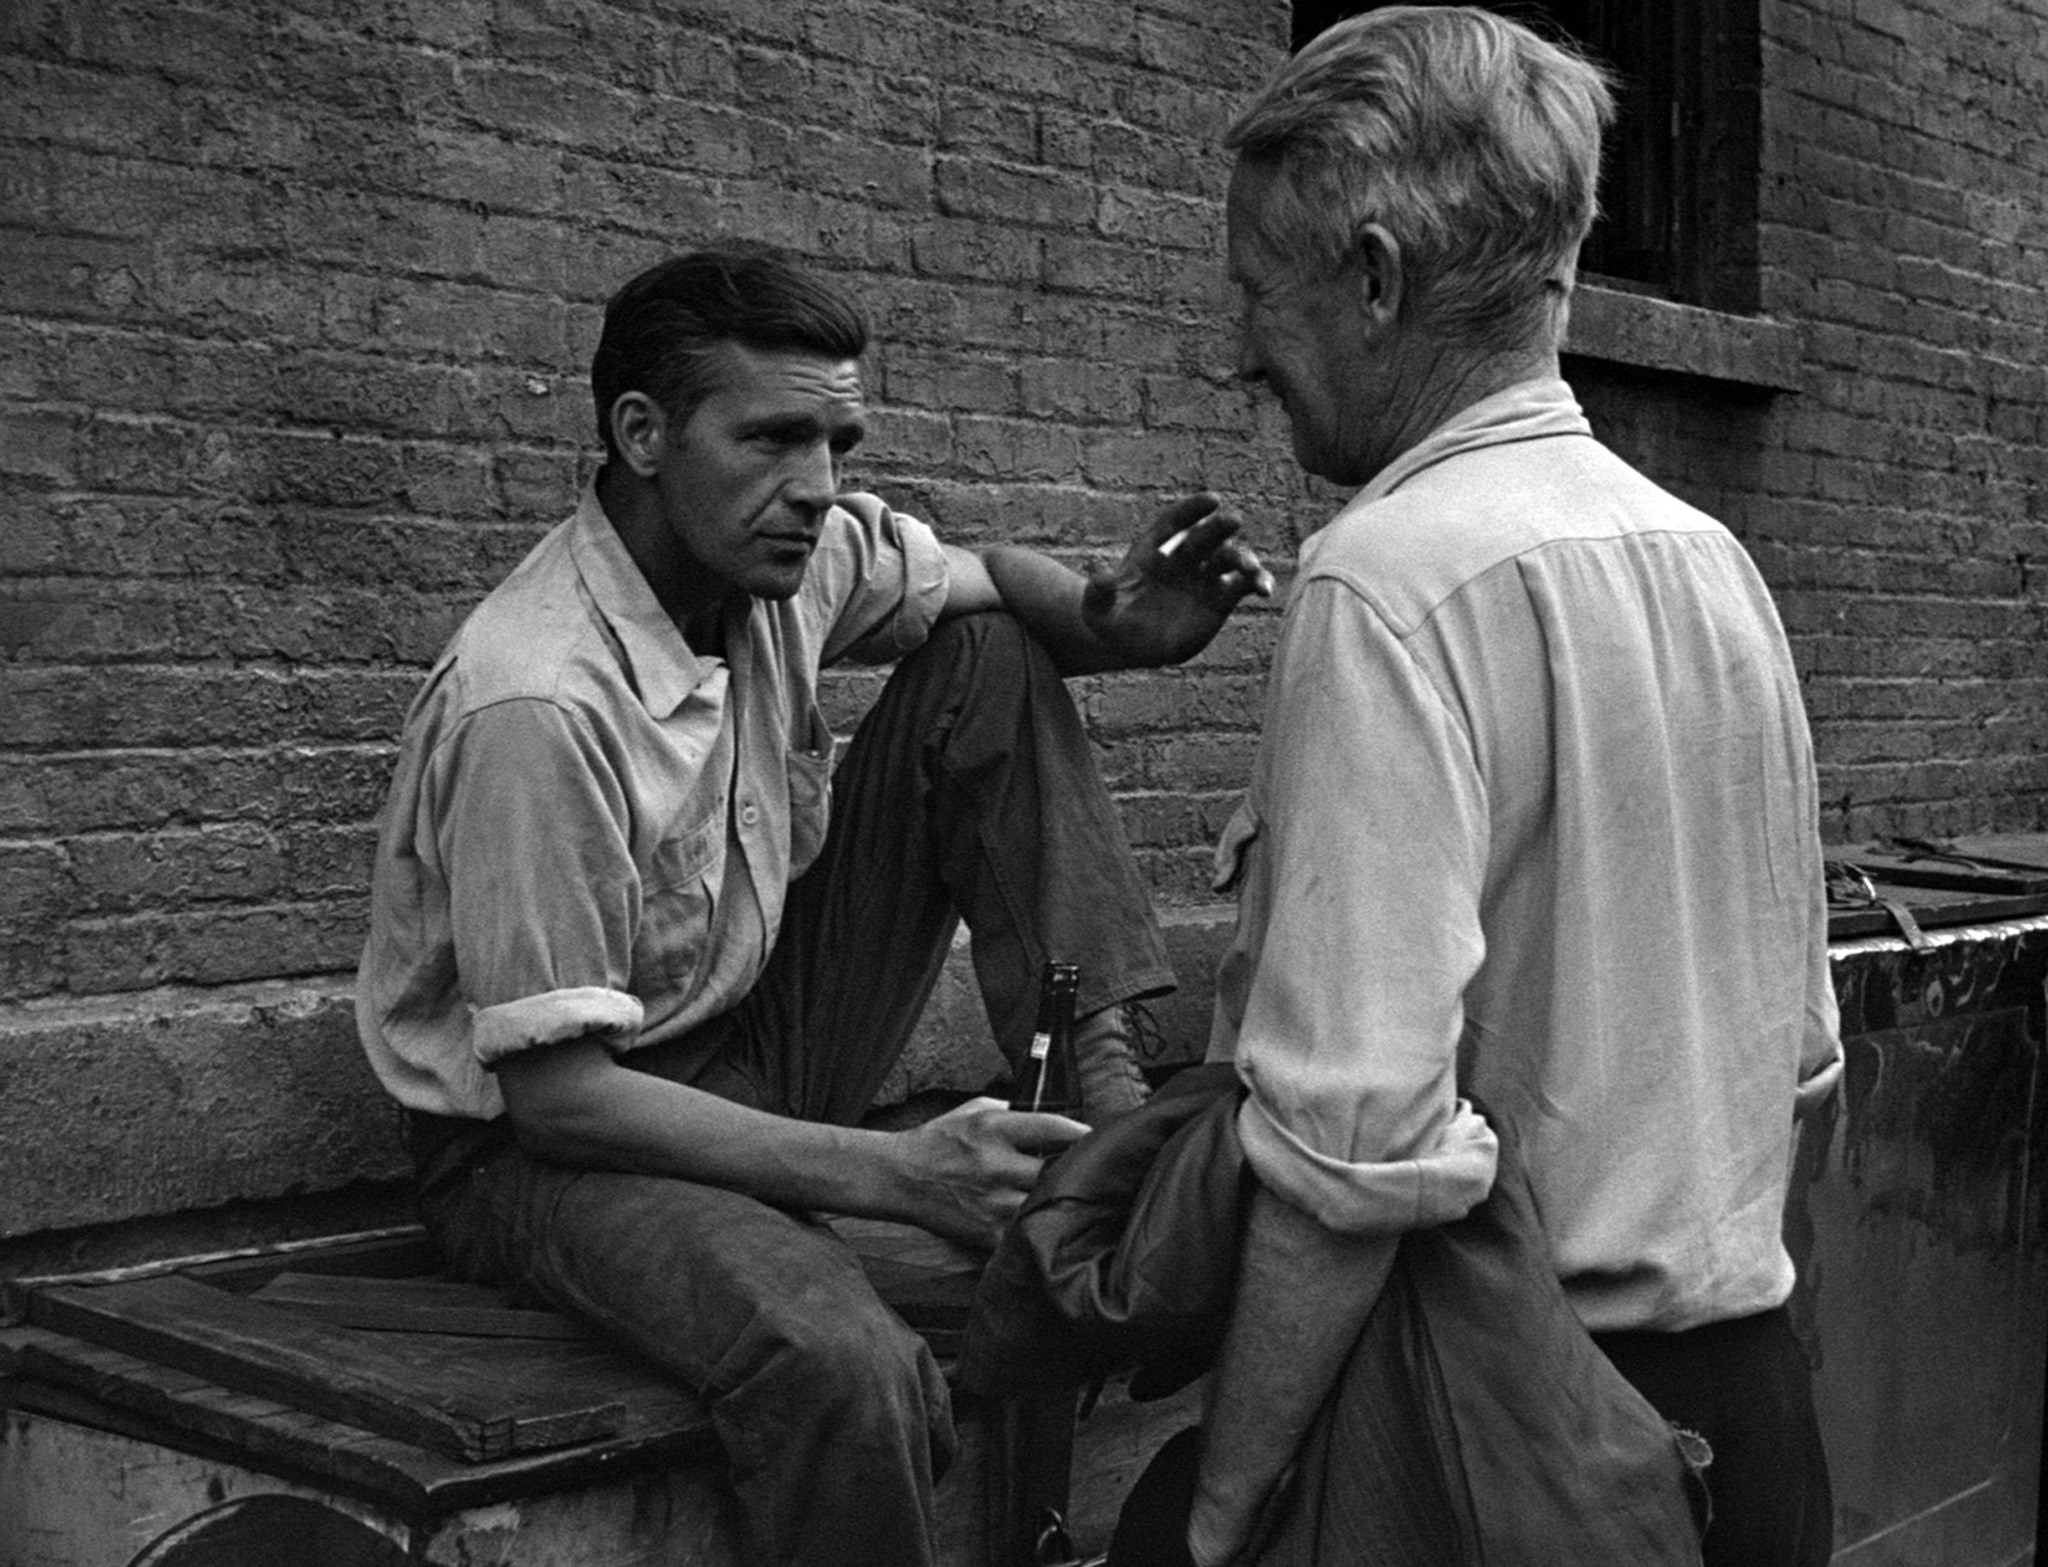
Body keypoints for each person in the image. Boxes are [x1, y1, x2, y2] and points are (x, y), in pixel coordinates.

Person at [354, 242, 1272, 1567]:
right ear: (642, 434)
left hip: (757, 1041)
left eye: (838, 439)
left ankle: (1108, 1112)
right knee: (847, 1365)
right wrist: (901, 1177)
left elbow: (983, 579)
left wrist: (1112, 620)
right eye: (776, 438)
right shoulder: (537, 700)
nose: (820, 489)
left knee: (990, 654)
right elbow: (559, 1097)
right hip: (549, 1146)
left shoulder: (784, 559)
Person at [1187, 10, 1843, 1566]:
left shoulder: (1383, 585)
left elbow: (1356, 1154)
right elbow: (1803, 1068)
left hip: (1509, 1447)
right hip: (1753, 1420)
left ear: (1374, 276)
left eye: (1257, 292)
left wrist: (1223, 1513)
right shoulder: (1714, 563)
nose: (1236, 352)